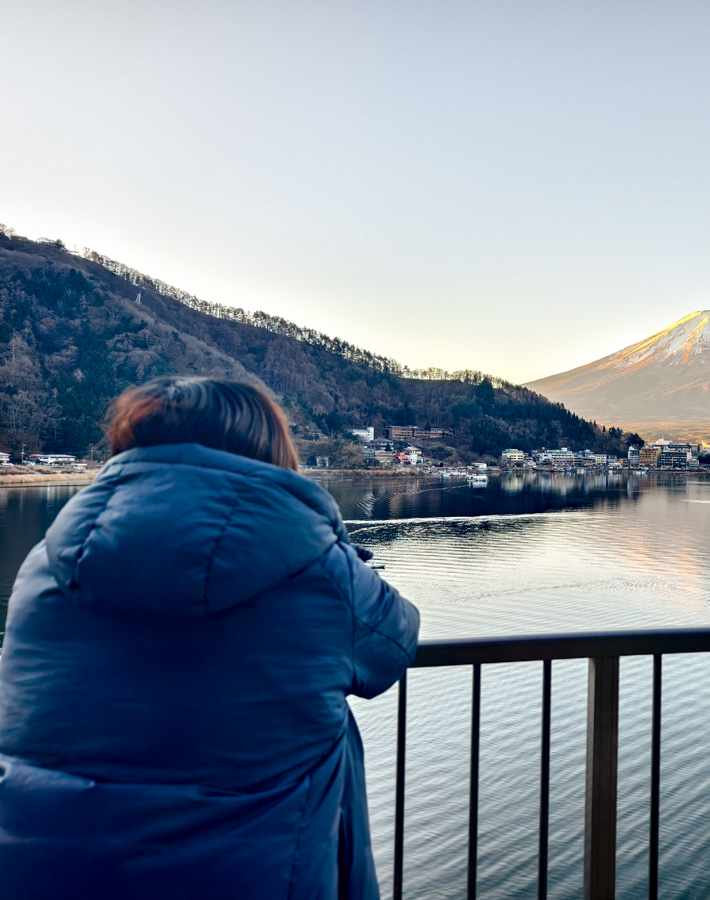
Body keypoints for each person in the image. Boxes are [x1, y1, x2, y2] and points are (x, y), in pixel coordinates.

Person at [0, 377, 419, 899]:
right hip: (252, 872)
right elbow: (394, 646)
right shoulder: (315, 565)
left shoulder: (45, 560)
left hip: (45, 868)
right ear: (266, 448)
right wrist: (342, 555)